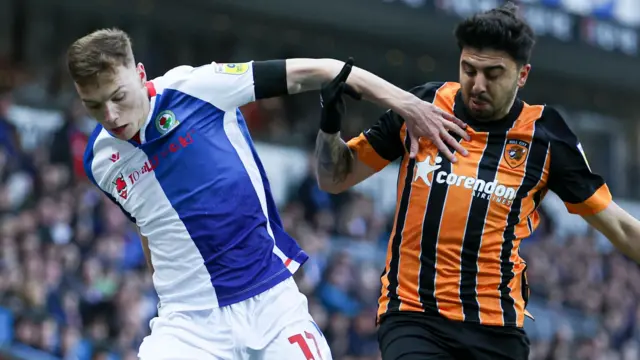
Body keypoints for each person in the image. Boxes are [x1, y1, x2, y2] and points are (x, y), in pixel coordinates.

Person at [66, 28, 466, 359]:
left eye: (118, 97)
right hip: (187, 323)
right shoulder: (101, 160)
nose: (110, 117)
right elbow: (148, 225)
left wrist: (412, 107)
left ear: (139, 74)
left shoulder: (197, 87)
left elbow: (326, 70)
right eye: (94, 106)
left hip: (270, 304)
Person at [314, 3, 640, 360]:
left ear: (522, 75)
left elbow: (620, 227)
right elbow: (334, 178)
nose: (478, 84)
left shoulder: (545, 137)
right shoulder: (423, 107)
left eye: (493, 73)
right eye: (469, 69)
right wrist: (329, 126)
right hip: (414, 319)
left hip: (497, 331)